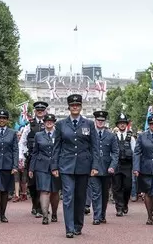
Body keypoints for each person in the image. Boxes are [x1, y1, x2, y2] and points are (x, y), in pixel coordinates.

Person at [51, 94, 99, 238]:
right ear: (69, 107)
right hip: (66, 165)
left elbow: (94, 147)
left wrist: (95, 166)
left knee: (80, 197)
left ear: (81, 106)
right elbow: (56, 147)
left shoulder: (89, 124)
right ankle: (69, 228)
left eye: (77, 105)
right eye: (72, 105)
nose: (75, 107)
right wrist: (54, 166)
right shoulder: (60, 125)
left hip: (84, 165)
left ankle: (78, 225)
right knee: (68, 197)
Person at [29, 113, 62, 224]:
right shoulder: (38, 135)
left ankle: (54, 213)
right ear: (44, 122)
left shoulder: (59, 134)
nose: (49, 123)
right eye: (47, 121)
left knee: (54, 192)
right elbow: (35, 153)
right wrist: (31, 168)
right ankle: (44, 216)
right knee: (44, 191)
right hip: (41, 166)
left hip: (56, 166)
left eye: (51, 121)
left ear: (54, 122)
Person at [19, 101, 48, 217]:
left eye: (42, 110)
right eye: (38, 110)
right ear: (35, 111)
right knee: (32, 184)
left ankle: (42, 207)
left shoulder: (49, 123)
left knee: (44, 183)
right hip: (32, 158)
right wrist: (21, 157)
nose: (40, 112)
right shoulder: (29, 125)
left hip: (46, 158)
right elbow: (22, 142)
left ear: (45, 111)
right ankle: (34, 204)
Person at [90, 111, 119, 225]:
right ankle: (96, 216)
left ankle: (102, 214)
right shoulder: (91, 134)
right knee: (95, 193)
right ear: (95, 121)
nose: (100, 122)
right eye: (98, 120)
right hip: (93, 168)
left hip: (107, 169)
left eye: (102, 120)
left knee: (104, 194)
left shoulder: (111, 135)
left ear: (105, 121)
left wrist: (112, 166)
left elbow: (115, 152)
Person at [113, 113, 135, 216]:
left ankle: (125, 203)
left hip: (127, 165)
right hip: (116, 164)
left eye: (124, 123)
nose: (122, 125)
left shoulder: (131, 137)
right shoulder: (113, 137)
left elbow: (134, 152)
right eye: (120, 123)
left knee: (127, 186)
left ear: (126, 125)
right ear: (117, 125)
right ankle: (119, 207)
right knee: (117, 187)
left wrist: (135, 167)